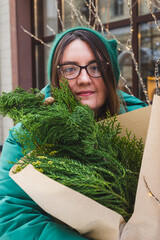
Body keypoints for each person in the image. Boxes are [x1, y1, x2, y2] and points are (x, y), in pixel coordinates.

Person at [0, 27, 147, 239]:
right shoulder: (26, 137)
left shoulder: (145, 125)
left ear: (110, 74)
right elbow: (12, 218)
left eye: (95, 67)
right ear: (56, 77)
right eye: (70, 69)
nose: (84, 79)